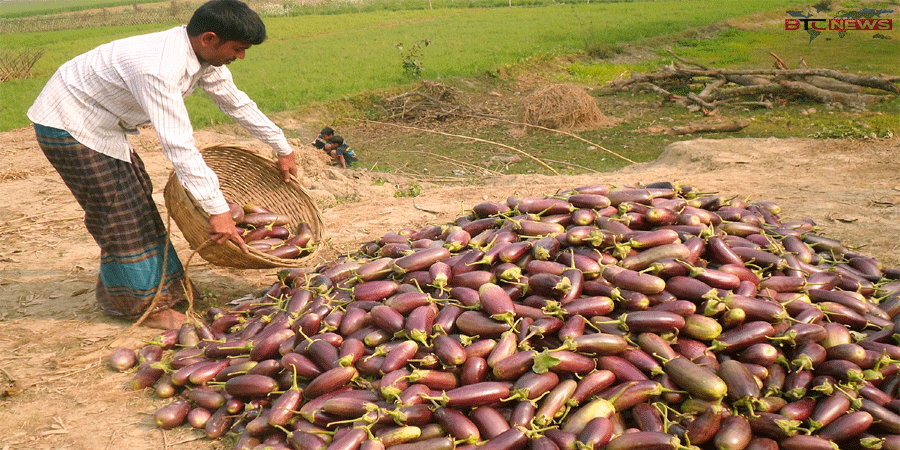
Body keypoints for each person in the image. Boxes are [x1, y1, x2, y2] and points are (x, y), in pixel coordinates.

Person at [26, 0, 297, 330]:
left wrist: (281, 146)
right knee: (118, 210)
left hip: (102, 122)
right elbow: (179, 145)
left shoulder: (201, 58)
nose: (240, 57)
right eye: (238, 49)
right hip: (69, 121)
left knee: (138, 194)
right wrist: (217, 209)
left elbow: (237, 104)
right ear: (208, 39)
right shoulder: (158, 68)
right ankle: (144, 306)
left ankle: (162, 289)